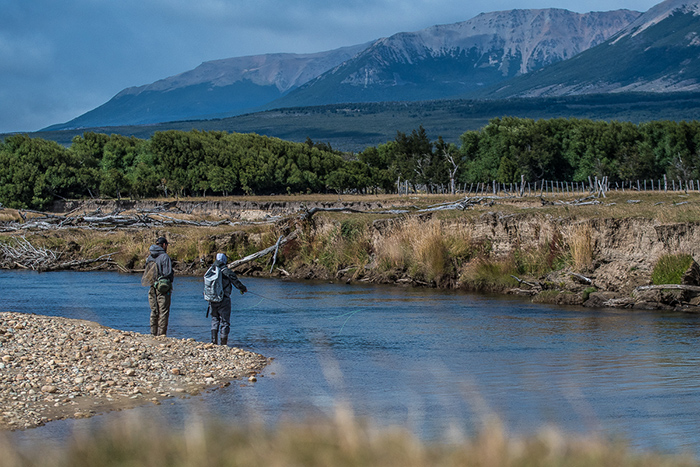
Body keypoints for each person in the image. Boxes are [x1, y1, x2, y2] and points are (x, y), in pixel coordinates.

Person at [208, 253, 247, 345]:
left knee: (214, 319)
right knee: (225, 322)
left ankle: (213, 341)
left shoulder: (211, 270)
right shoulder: (226, 271)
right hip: (224, 299)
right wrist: (243, 289)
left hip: (212, 299)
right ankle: (223, 343)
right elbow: (236, 282)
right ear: (224, 261)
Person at [146, 236, 174, 336]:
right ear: (163, 245)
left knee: (154, 310)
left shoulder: (150, 257)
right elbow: (167, 272)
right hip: (163, 287)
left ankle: (153, 333)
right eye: (166, 245)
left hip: (152, 286)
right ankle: (162, 334)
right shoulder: (164, 256)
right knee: (163, 311)